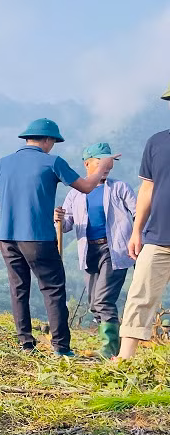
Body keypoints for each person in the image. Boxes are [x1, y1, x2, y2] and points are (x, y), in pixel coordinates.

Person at [0, 118, 116, 357]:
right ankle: (61, 347)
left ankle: (26, 344)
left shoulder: (2, 163)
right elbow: (86, 187)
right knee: (53, 289)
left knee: (19, 289)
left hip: (8, 239)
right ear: (47, 140)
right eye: (53, 141)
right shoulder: (52, 162)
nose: (52, 146)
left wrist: (12, 211)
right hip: (39, 238)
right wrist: (101, 167)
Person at [55, 143, 136, 359]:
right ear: (87, 164)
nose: (106, 167)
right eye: (100, 162)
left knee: (103, 300)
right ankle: (109, 347)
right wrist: (59, 220)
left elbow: (138, 213)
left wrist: (139, 240)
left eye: (108, 163)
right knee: (94, 303)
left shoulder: (119, 188)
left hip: (115, 249)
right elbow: (67, 224)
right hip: (89, 250)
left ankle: (110, 347)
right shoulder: (75, 193)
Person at [117, 85, 170, 361]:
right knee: (140, 295)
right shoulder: (157, 142)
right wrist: (137, 231)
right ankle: (125, 359)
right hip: (158, 235)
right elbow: (147, 190)